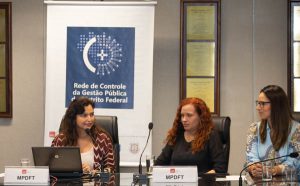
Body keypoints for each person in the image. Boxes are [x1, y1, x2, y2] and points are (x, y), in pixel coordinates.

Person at [155, 97, 226, 174]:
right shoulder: (176, 135)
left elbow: (220, 168)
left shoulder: (211, 135)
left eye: (189, 115)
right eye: (182, 116)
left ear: (200, 117)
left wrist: (202, 179)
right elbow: (159, 164)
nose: (184, 119)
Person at [246, 85, 300, 178]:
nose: (258, 107)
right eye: (258, 103)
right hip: (261, 182)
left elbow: (294, 163)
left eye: (262, 103)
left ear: (277, 106)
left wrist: (273, 170)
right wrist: (254, 168)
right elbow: (251, 159)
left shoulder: (296, 130)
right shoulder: (254, 129)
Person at [51, 97, 115, 174]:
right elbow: (52, 169)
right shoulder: (60, 140)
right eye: (84, 115)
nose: (89, 119)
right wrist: (73, 170)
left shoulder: (102, 139)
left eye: (92, 114)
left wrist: (96, 173)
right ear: (73, 117)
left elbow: (111, 169)